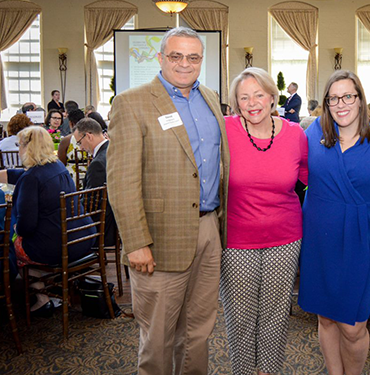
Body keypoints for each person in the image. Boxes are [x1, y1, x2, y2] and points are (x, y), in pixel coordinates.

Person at [106, 27, 229, 375]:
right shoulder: (131, 102)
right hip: (158, 239)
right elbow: (121, 180)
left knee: (199, 331)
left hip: (208, 230)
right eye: (176, 56)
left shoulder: (210, 99)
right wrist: (136, 242)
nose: (184, 64)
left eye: (193, 57)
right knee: (158, 336)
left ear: (201, 61)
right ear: (160, 58)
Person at [298, 70, 370, 375]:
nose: (341, 103)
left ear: (361, 100)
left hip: (362, 237)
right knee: (325, 317)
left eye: (348, 96)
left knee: (353, 325)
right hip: (319, 235)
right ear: (326, 102)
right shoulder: (312, 133)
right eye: (333, 98)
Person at [221, 67, 308, 375]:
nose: (252, 102)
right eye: (244, 97)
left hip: (285, 239)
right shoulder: (224, 130)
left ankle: (268, 370)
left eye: (259, 94)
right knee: (240, 316)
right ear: (235, 102)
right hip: (236, 241)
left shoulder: (296, 134)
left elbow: (313, 179)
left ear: (273, 97)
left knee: (275, 315)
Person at [0, 126, 96, 316]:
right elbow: (28, 176)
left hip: (58, 247)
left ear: (29, 148)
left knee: (13, 244)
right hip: (83, 238)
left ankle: (42, 298)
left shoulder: (31, 179)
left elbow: (26, 227)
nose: (19, 149)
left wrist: (15, 228)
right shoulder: (57, 166)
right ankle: (52, 286)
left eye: (20, 145)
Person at [72, 118, 116, 247]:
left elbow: (91, 204)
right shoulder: (111, 149)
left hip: (102, 227)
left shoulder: (98, 164)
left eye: (80, 142)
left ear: (89, 136)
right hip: (112, 221)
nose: (81, 147)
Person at [57, 109, 86, 183]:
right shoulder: (90, 138)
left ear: (70, 123)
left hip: (71, 180)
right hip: (89, 178)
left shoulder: (66, 140)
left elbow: (61, 164)